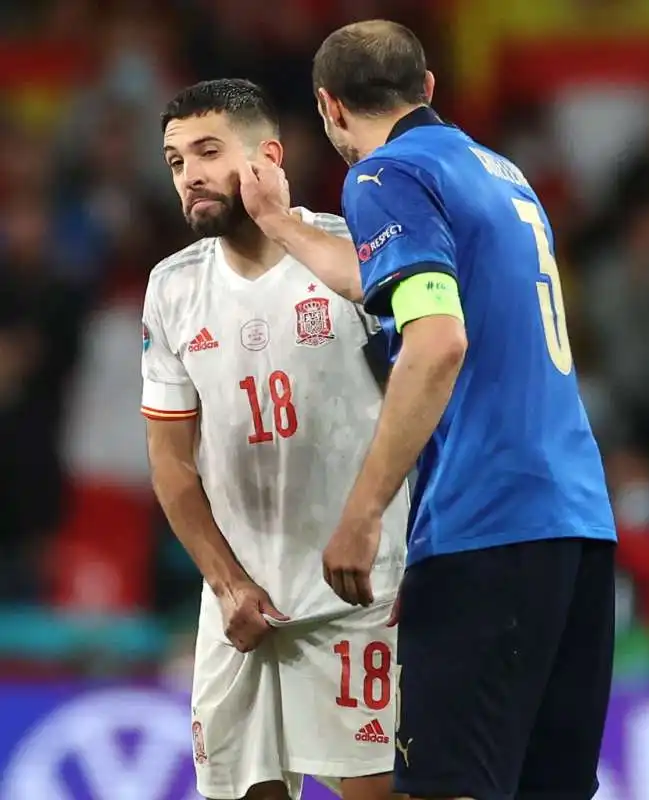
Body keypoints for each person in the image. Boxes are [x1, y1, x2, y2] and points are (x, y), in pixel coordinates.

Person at [240, 21, 618, 800]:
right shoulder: (501, 174)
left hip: (485, 523)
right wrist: (281, 224)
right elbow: (396, 279)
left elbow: (437, 339)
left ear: (328, 107)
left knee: (445, 788)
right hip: (576, 527)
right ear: (429, 87)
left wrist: (363, 510)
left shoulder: (383, 177)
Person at [141, 78, 407, 800]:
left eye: (207, 151)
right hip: (240, 613)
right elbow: (170, 465)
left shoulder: (352, 252)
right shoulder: (172, 289)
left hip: (357, 597)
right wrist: (226, 585)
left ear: (268, 157)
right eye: (174, 161)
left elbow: (431, 404)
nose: (190, 174)